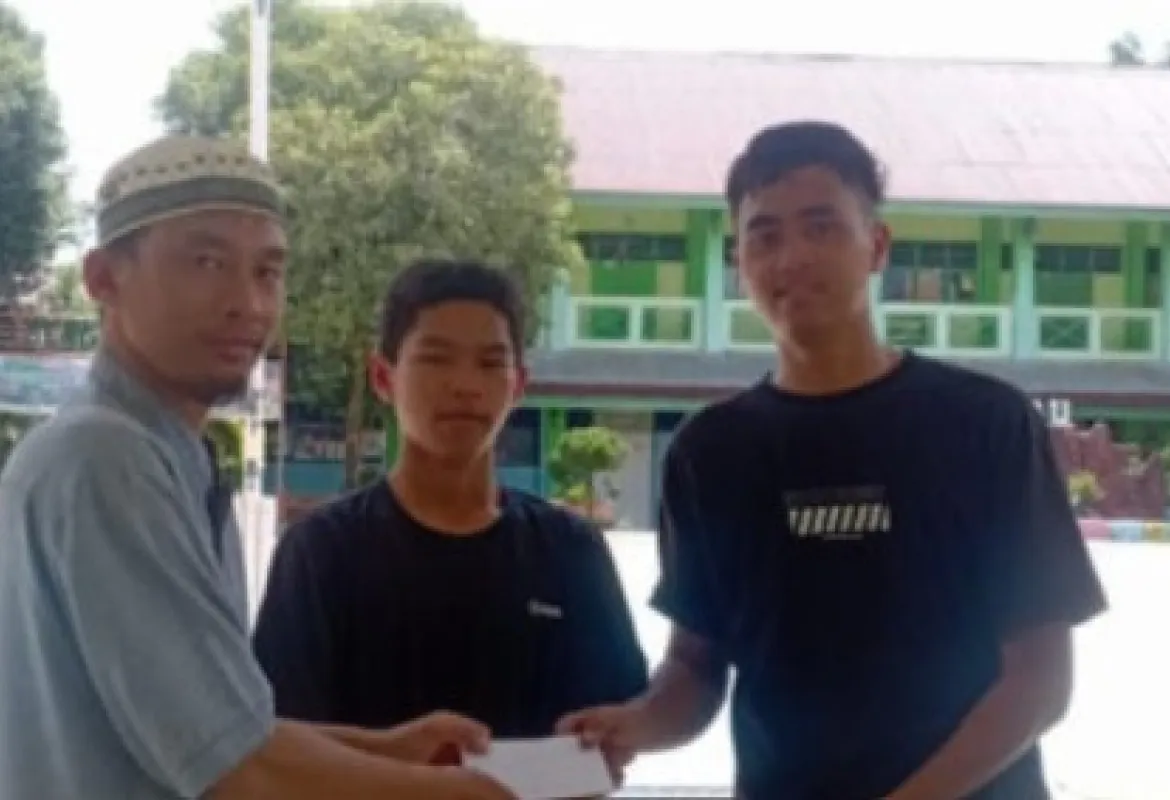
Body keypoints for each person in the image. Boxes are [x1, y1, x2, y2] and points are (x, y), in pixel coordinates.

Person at [558, 121, 1108, 799]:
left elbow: (1040, 681)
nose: (792, 258)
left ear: (876, 246)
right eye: (765, 237)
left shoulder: (987, 424)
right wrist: (634, 725)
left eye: (821, 228)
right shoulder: (711, 452)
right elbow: (695, 667)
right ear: (739, 261)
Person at [0, 136, 513, 800]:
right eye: (206, 262)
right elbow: (241, 772)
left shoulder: (169, 456)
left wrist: (385, 749)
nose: (248, 303)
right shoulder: (105, 458)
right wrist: (465, 792)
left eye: (267, 271)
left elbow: (223, 728)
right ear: (103, 278)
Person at [252, 259, 648, 750]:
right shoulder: (320, 552)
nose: (465, 385)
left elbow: (614, 725)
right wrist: (401, 757)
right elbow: (280, 743)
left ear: (518, 385)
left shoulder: (571, 551)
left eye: (490, 363)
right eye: (436, 359)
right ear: (383, 377)